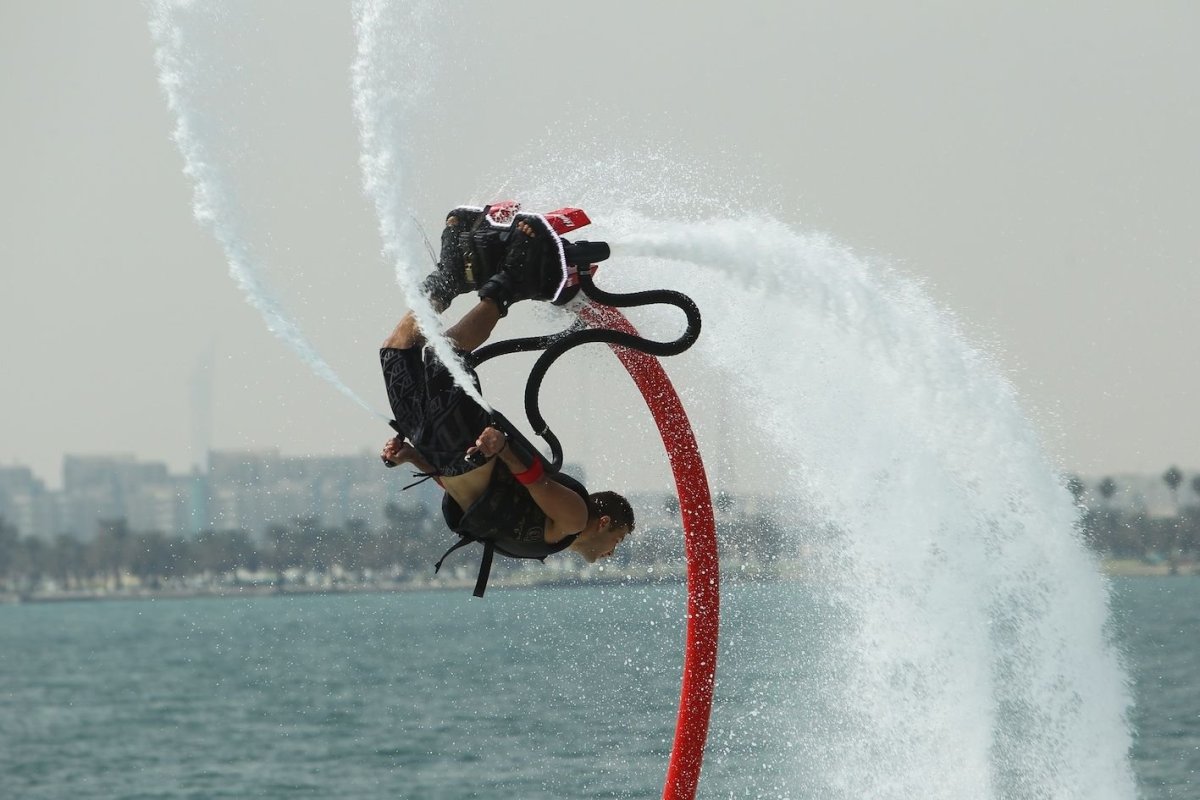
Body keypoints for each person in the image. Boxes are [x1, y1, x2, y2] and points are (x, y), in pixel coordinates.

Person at [379, 206, 634, 593]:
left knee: (396, 349)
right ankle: (511, 281)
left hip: (442, 451)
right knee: (442, 354)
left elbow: (475, 501)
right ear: (604, 523)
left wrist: (412, 457)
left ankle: (448, 279)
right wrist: (502, 448)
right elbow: (535, 484)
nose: (610, 554)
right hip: (467, 443)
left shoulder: (546, 541)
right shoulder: (576, 518)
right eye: (617, 540)